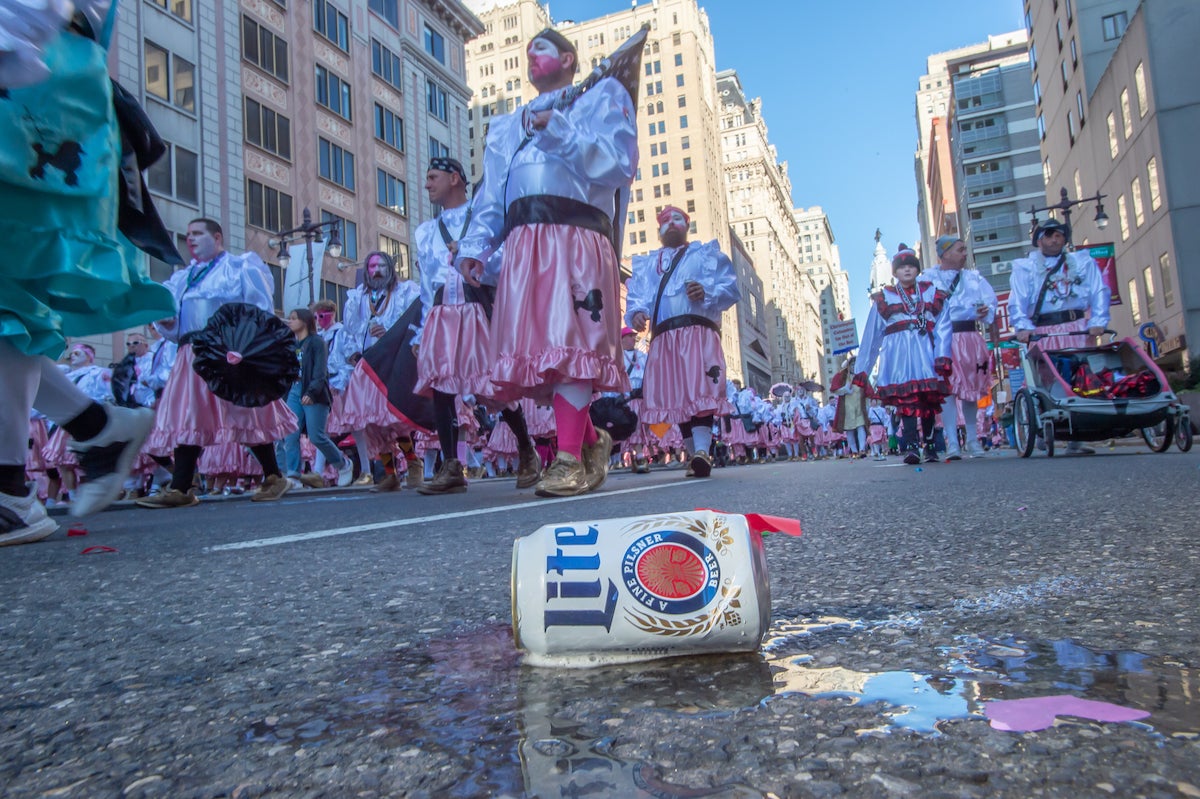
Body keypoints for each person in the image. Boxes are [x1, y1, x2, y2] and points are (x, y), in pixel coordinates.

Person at [1, 1, 179, 543]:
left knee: (8, 296)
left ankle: (12, 485)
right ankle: (93, 428)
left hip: (33, 91)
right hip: (34, 86)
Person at [456, 27, 638, 497]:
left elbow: (618, 165)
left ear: (569, 58)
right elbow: (492, 194)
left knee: (570, 345)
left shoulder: (602, 98)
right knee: (545, 356)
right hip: (522, 245)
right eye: (527, 50)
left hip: (576, 234)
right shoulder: (505, 126)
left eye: (541, 47)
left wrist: (557, 129)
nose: (530, 56)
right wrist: (476, 245)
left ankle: (568, 459)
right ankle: (590, 442)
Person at [136, 218, 297, 508]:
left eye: (198, 234)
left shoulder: (238, 267)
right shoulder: (183, 279)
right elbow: (176, 330)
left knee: (245, 411)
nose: (191, 240)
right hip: (191, 355)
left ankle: (274, 475)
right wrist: (168, 323)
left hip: (226, 350)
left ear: (218, 238)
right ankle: (182, 486)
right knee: (190, 416)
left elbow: (258, 311)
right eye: (188, 235)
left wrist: (246, 349)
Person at [412, 157, 539, 495]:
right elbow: (427, 284)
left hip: (476, 306)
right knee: (441, 384)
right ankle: (452, 465)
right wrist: (422, 328)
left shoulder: (483, 217)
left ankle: (526, 449)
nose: (427, 184)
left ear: (455, 179)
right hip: (442, 312)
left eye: (432, 176)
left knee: (493, 382)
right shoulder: (425, 233)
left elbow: (502, 264)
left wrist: (472, 258)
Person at [625, 206, 739, 478]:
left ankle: (701, 451)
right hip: (664, 338)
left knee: (699, 391)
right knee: (679, 397)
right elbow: (638, 298)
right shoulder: (648, 264)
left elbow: (730, 289)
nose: (672, 223)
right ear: (659, 230)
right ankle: (697, 455)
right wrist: (637, 315)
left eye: (678, 219)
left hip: (698, 333)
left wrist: (707, 292)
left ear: (687, 225)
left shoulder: (705, 254)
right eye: (665, 220)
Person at [1008, 219, 1110, 455]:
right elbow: (1017, 302)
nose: (1055, 240)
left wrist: (1098, 321)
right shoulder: (1026, 268)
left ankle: (1078, 438)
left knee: (1082, 377)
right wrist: (1022, 327)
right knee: (1046, 380)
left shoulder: (1082, 262)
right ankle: (1044, 426)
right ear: (1039, 240)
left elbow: (1099, 291)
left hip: (1077, 328)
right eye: (1049, 235)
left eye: (1059, 235)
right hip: (1044, 330)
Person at [332, 250, 422, 490]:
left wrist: (389, 333)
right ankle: (389, 474)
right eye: (372, 266)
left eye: (382, 266)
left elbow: (410, 322)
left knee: (391, 417)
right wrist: (352, 354)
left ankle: (413, 462)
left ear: (390, 269)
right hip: (365, 366)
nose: (377, 270)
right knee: (371, 422)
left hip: (390, 364)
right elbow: (349, 331)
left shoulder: (403, 293)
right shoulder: (357, 298)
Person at [855, 245, 952, 465]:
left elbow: (943, 326)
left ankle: (929, 446)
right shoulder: (885, 298)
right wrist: (863, 369)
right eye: (902, 267)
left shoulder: (930, 292)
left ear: (917, 270)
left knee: (927, 400)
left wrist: (942, 355)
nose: (907, 270)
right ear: (894, 272)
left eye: (911, 266)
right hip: (898, 357)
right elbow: (872, 335)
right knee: (906, 401)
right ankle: (911, 447)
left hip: (925, 353)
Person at [927, 236, 998, 460]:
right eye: (960, 250)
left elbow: (991, 301)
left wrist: (988, 311)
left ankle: (973, 439)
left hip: (969, 338)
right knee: (947, 392)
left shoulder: (973, 278)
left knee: (971, 392)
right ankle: (952, 442)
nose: (965, 253)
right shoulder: (928, 278)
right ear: (945, 253)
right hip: (943, 341)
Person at [282, 308, 354, 489]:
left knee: (317, 436)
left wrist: (311, 392)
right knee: (290, 433)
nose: (290, 322)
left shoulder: (316, 342)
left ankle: (343, 465)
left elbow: (320, 372)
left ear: (305, 322)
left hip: (315, 391)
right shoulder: (291, 344)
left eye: (293, 318)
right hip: (295, 389)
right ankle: (293, 475)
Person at [617, 327, 651, 473]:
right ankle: (639, 457)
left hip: (641, 397)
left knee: (643, 428)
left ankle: (637, 455)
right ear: (622, 339)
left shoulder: (642, 356)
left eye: (634, 336)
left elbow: (649, 374)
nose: (633, 338)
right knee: (633, 428)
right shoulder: (618, 357)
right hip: (627, 398)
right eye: (630, 336)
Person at [830, 355, 869, 458]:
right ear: (848, 366)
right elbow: (835, 390)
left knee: (861, 427)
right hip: (847, 408)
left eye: (855, 364)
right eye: (852, 364)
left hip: (859, 407)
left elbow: (867, 392)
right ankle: (854, 450)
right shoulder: (843, 377)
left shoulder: (861, 376)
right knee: (850, 429)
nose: (854, 366)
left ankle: (862, 449)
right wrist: (845, 389)